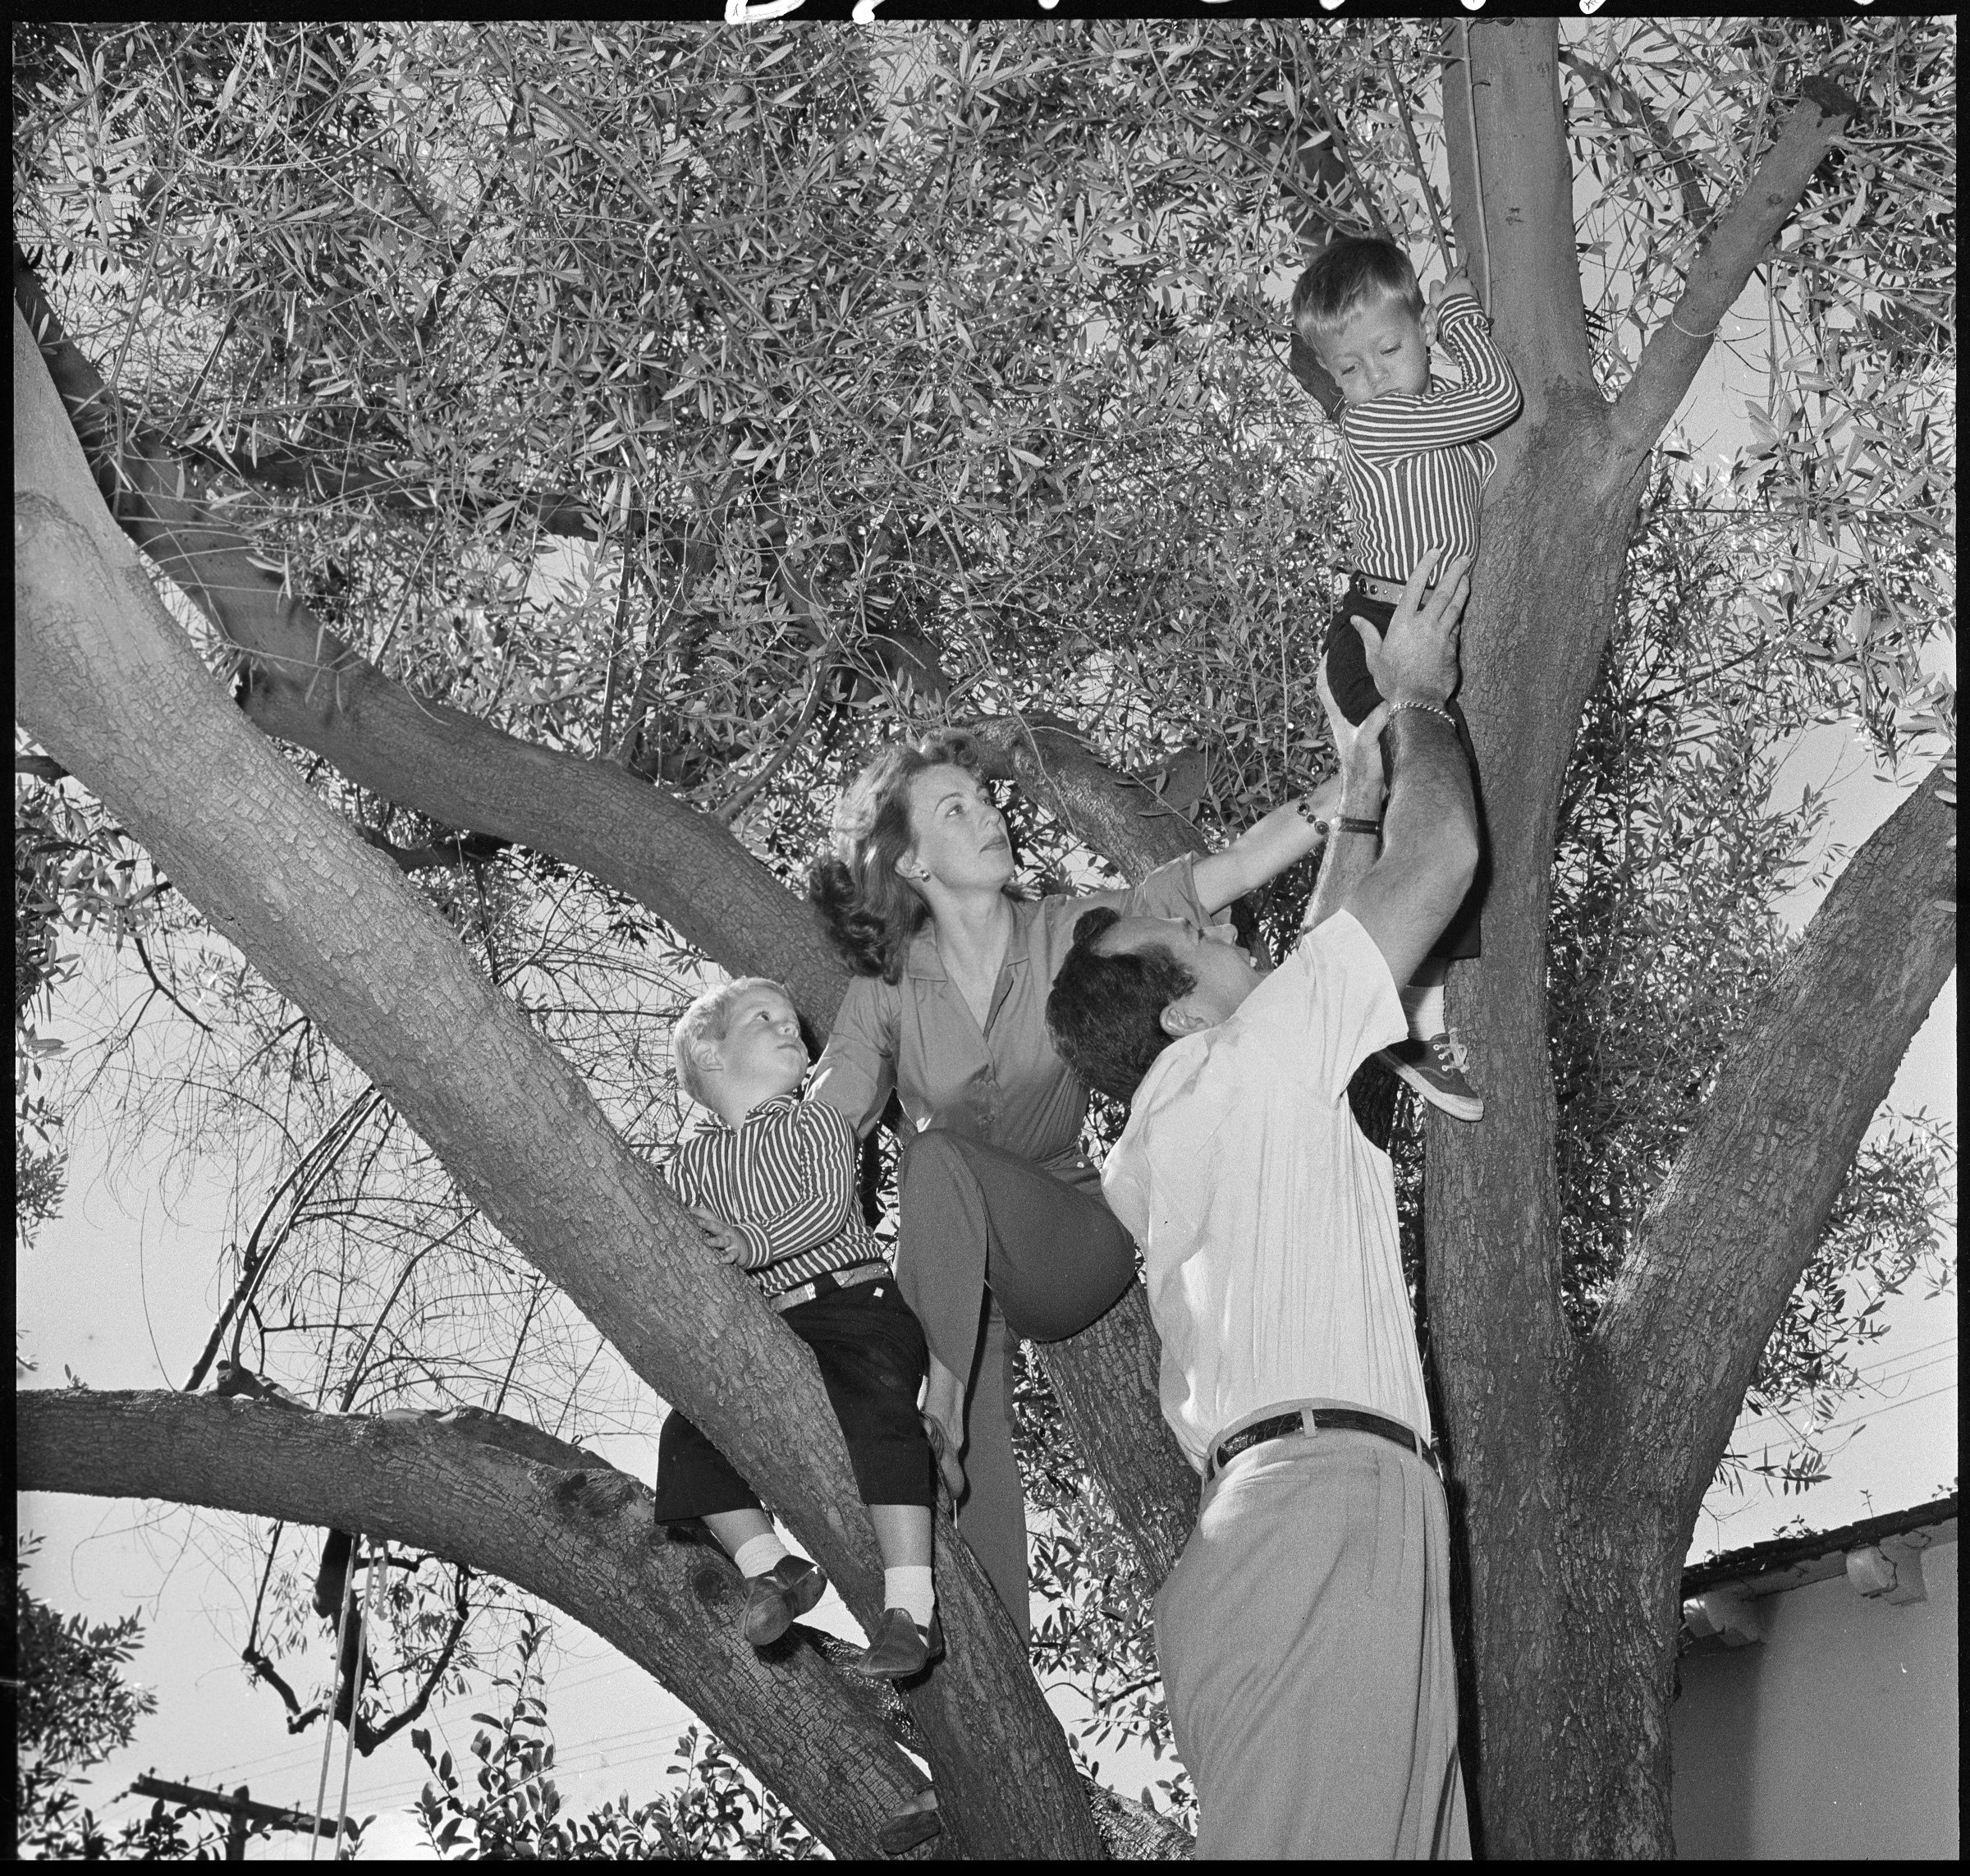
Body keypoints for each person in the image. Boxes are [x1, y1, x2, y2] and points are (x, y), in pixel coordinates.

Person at [1045, 551, 1478, 1859]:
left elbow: (1319, 975)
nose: (1230, 928)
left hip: (1291, 1528)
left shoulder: (1168, 1136)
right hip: (1319, 1520)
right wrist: (1419, 702)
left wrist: (1353, 799)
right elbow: (1445, 852)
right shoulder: (1252, 1066)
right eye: (1200, 936)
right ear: (1181, 1007)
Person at [806, 732, 1351, 1637]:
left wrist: (1348, 787)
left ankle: (928, 1417)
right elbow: (827, 1122)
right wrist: (734, 1173)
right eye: (958, 809)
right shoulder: (889, 990)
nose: (991, 813)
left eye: (986, 798)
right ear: (911, 862)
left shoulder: (1067, 930)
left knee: (934, 1160)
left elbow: (1224, 874)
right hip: (955, 1274)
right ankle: (976, 1653)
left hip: (1071, 1238)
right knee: (936, 1229)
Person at [1291, 235, 1520, 1122]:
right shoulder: (1376, 424)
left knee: (1430, 813)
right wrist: (1460, 309)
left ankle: (1403, 1020)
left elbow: (1480, 418)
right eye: (1349, 368)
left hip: (1414, 637)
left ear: (1413, 330)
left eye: (1390, 350)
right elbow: (1499, 396)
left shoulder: (1435, 420)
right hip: (1378, 633)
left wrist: (1444, 327)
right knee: (1425, 815)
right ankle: (1388, 1017)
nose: (1377, 377)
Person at [654, 975, 941, 1681]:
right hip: (772, 1332)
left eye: (794, 1021)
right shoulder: (687, 1166)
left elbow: (823, 1205)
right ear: (710, 1053)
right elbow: (687, 1263)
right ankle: (771, 1565)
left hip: (854, 1306)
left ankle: (911, 1608)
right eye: (765, 1018)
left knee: (880, 1408)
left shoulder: (817, 1122)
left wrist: (749, 1245)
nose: (794, 1031)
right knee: (686, 1432)